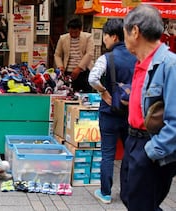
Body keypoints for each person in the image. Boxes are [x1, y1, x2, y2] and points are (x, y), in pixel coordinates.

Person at [120, 4, 176, 210]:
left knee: (141, 205)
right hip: (133, 140)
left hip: (151, 145)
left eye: (124, 33)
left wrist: (152, 151)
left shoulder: (170, 65)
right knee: (128, 196)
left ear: (135, 31)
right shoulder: (141, 62)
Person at [88, 18, 137, 204]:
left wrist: (104, 93)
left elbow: (93, 78)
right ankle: (126, 193)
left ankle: (106, 193)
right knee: (129, 153)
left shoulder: (106, 58)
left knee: (107, 154)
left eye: (105, 36)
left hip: (109, 113)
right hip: (130, 113)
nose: (104, 40)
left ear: (114, 36)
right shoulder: (137, 56)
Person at [54, 17, 94, 93]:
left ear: (80, 29)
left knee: (85, 94)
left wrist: (79, 68)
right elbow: (57, 55)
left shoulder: (88, 37)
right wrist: (60, 67)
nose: (73, 34)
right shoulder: (63, 38)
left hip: (84, 72)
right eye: (71, 32)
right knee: (68, 93)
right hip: (67, 72)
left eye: (76, 32)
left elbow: (89, 54)